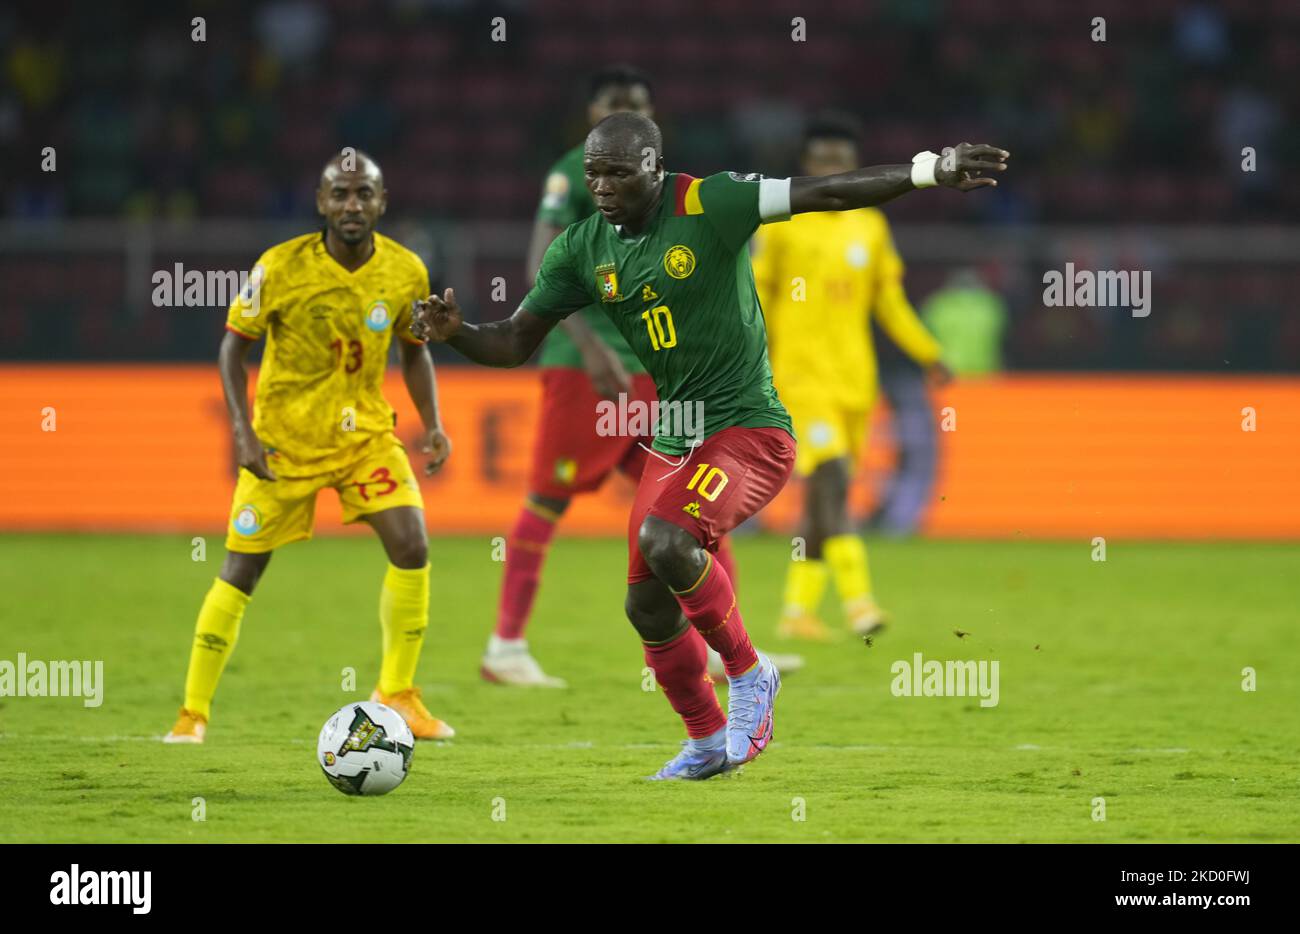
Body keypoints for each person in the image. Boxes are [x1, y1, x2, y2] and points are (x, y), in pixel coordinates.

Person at [413, 112, 1008, 779]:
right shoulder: (580, 249)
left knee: (668, 542)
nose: (603, 187)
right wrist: (458, 330)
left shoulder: (709, 201)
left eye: (618, 172)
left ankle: (751, 674)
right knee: (644, 603)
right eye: (593, 175)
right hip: (678, 436)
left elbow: (825, 193)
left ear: (652, 165)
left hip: (750, 429)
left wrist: (930, 170)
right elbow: (515, 340)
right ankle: (704, 741)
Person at [164, 151, 455, 743]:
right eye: (341, 194)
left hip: (364, 440)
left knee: (412, 544)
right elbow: (231, 349)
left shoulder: (407, 271)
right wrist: (242, 433)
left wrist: (433, 422)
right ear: (322, 202)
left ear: (382, 203)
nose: (353, 205)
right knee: (241, 571)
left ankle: (396, 693)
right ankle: (192, 712)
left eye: (364, 194)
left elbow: (415, 349)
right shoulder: (278, 266)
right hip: (284, 445)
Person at [752, 112, 952, 639]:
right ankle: (860, 602)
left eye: (842, 157)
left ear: (853, 164)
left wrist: (928, 352)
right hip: (799, 376)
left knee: (828, 494)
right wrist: (752, 363)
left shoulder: (871, 224)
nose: (833, 165)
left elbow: (889, 302)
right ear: (808, 164)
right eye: (823, 157)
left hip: (855, 381)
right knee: (833, 479)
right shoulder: (783, 222)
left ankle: (797, 612)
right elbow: (755, 297)